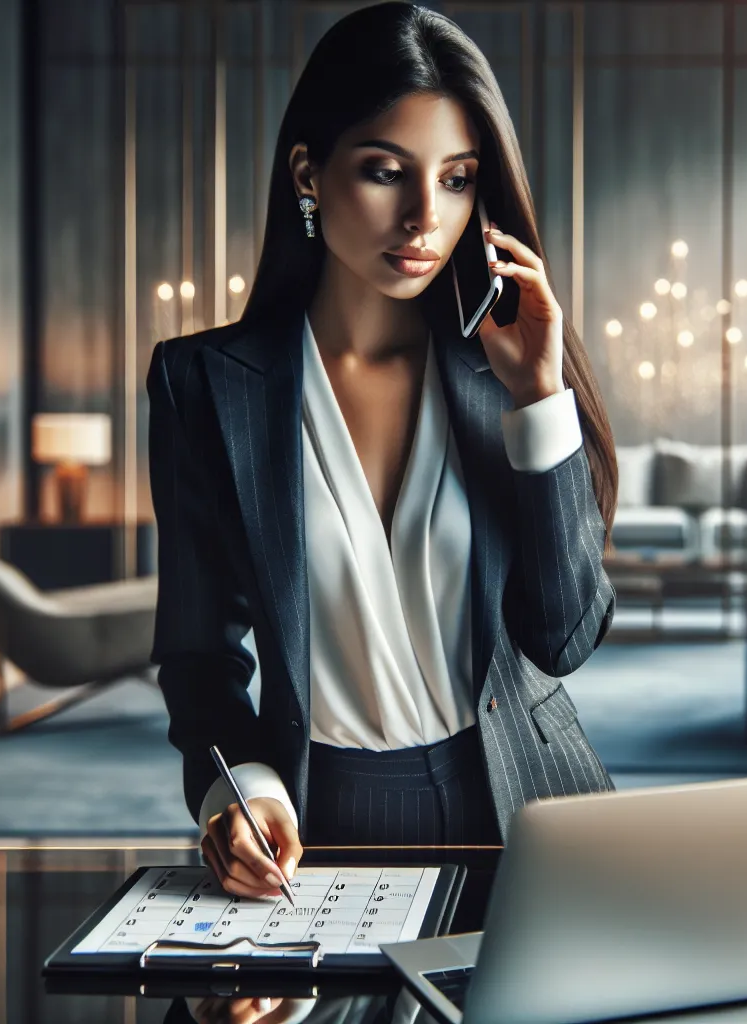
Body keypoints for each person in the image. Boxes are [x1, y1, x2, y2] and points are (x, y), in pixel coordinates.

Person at [147, 1, 619, 901]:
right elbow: (199, 658)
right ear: (308, 175)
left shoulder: (505, 375)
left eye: (456, 179)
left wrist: (539, 399)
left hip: (521, 811)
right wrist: (236, 791)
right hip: (313, 822)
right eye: (383, 171)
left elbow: (562, 639)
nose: (422, 218)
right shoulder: (202, 385)